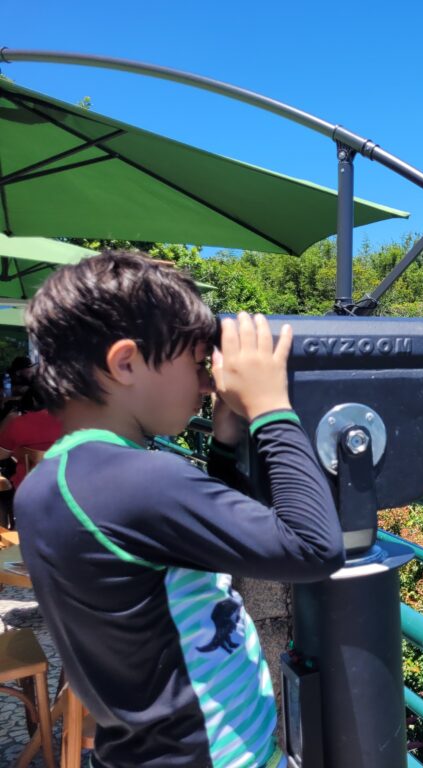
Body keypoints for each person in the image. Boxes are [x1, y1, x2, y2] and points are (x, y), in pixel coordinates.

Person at [17, 250, 345, 768]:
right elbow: (313, 547)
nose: (202, 384)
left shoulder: (53, 484)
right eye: (194, 365)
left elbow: (191, 551)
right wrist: (270, 407)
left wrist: (223, 442)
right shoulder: (141, 480)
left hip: (141, 750)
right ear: (125, 363)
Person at [0, 375, 64, 490]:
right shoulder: (77, 422)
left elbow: (1, 455)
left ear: (33, 399)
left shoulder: (19, 422)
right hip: (71, 491)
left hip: (27, 490)